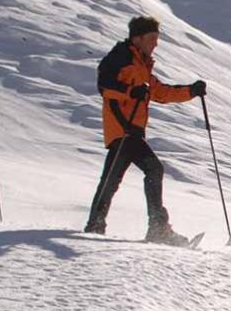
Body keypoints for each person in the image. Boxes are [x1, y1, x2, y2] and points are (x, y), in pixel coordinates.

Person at [85, 15, 206, 241]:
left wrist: (191, 91)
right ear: (137, 38)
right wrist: (131, 92)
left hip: (131, 131)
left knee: (112, 179)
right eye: (152, 39)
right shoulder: (121, 58)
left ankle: (95, 227)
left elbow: (159, 92)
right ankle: (157, 229)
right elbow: (105, 86)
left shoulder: (142, 66)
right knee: (151, 169)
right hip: (124, 129)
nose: (155, 44)